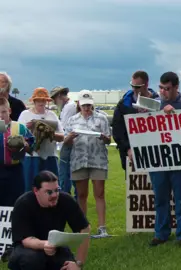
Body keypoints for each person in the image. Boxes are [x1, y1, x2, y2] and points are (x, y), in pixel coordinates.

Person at [149, 72, 181, 247]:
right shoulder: (155, 104)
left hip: (180, 158)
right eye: (161, 88)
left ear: (176, 87)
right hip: (159, 159)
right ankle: (161, 233)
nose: (163, 92)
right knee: (160, 197)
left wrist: (175, 115)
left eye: (167, 89)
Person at [8, 170, 90, 270]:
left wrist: (78, 263)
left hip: (56, 246)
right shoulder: (23, 204)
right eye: (49, 192)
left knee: (68, 266)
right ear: (36, 191)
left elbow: (85, 228)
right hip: (27, 248)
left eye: (57, 190)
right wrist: (45, 244)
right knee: (32, 260)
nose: (55, 195)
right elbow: (26, 240)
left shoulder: (66, 200)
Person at [64, 90, 111, 239]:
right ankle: (82, 228)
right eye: (84, 105)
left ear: (92, 104)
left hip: (98, 159)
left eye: (89, 105)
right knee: (82, 195)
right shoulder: (72, 120)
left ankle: (102, 228)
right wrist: (70, 137)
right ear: (79, 104)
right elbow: (66, 142)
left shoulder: (102, 118)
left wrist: (104, 138)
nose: (86, 108)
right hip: (79, 159)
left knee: (99, 193)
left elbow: (109, 140)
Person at [112, 70, 159, 173]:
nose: (134, 89)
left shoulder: (158, 102)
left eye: (137, 86)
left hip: (155, 155)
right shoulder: (124, 104)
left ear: (146, 84)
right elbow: (117, 130)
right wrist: (127, 148)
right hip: (131, 156)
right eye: (132, 85)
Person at [18, 87, 64, 192]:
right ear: (34, 101)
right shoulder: (25, 115)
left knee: (52, 188)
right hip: (31, 156)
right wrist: (29, 128)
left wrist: (49, 133)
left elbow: (62, 137)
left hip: (50, 156)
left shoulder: (52, 115)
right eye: (38, 100)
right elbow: (18, 135)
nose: (41, 102)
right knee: (30, 188)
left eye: (43, 100)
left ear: (47, 101)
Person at [0, 98, 34, 207]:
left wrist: (24, 145)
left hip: (16, 169)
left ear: (9, 111)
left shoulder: (20, 127)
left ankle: (16, 223)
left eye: (3, 111)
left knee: (17, 201)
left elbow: (32, 146)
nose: (1, 115)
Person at [50, 86, 78, 200]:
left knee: (65, 176)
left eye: (54, 99)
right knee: (69, 175)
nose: (54, 102)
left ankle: (66, 199)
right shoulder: (68, 106)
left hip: (67, 145)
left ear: (60, 96)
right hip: (67, 144)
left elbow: (64, 127)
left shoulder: (69, 107)